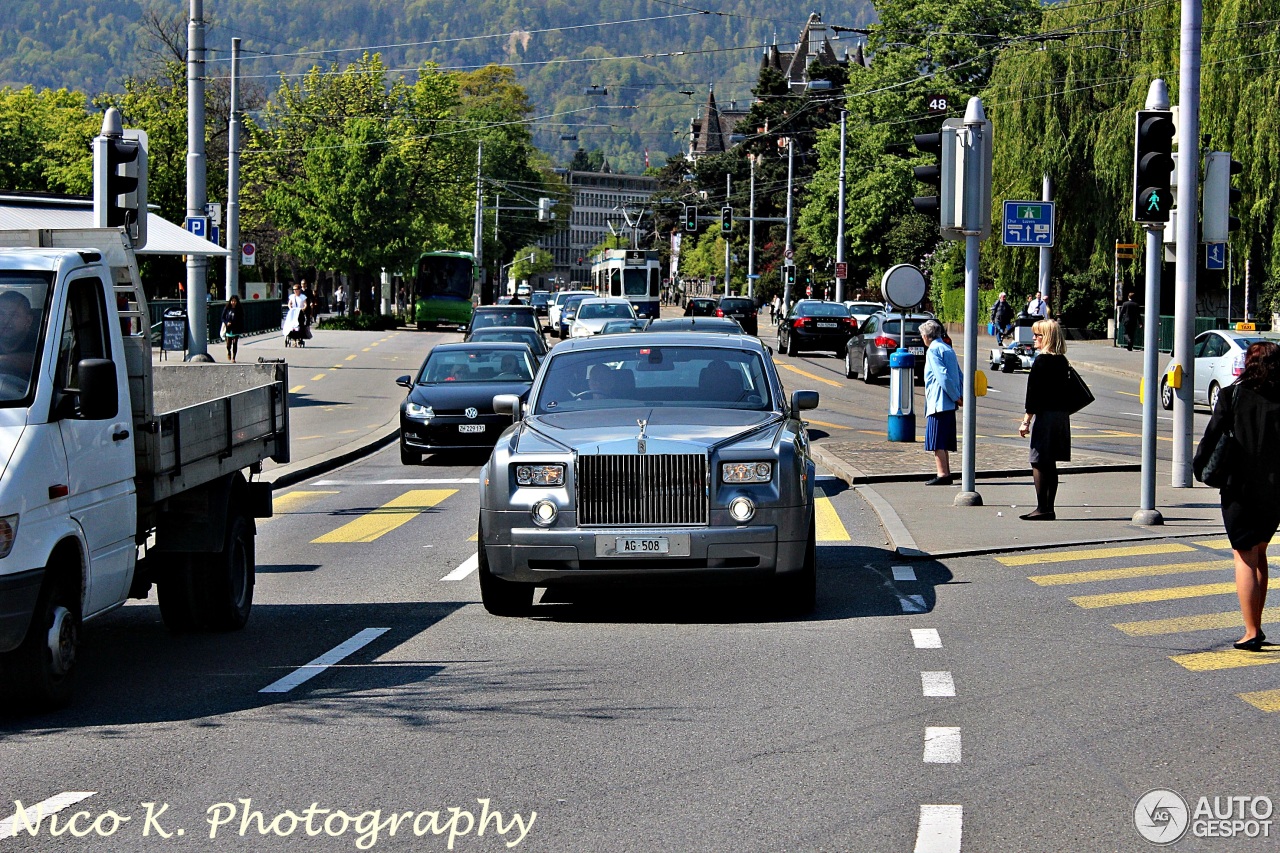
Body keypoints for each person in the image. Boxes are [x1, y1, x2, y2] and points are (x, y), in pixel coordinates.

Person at [1193, 341, 1280, 651]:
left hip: (1239, 488)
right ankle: (1256, 624)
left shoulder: (1232, 396)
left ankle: (1251, 630)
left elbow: (1211, 437)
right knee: (1260, 551)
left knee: (1244, 555)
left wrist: (1200, 467)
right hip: (1274, 490)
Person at [1018, 319, 1072, 520]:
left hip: (1046, 416)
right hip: (1061, 416)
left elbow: (1033, 395)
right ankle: (1050, 507)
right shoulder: (1062, 361)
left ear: (1047, 337)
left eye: (1037, 335)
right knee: (1050, 463)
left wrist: (1026, 421)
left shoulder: (1041, 361)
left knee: (1039, 461)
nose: (1033, 338)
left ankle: (1042, 508)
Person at [920, 319, 961, 486]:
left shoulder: (933, 351)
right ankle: (946, 472)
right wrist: (959, 395)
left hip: (938, 402)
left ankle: (943, 474)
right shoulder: (947, 348)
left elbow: (942, 376)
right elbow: (958, 374)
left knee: (936, 440)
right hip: (948, 403)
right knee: (943, 440)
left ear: (926, 336)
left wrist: (955, 396)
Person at [0, 290, 38, 378]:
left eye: (14, 314)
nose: (6, 320)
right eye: (1, 313)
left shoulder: (42, 342)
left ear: (28, 320)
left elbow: (37, 362)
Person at [220, 295, 245, 363]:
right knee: (228, 344)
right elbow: (222, 317)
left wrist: (241, 327)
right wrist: (226, 322)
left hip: (236, 328)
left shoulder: (239, 309)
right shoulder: (227, 308)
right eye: (232, 301)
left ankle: (233, 357)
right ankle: (228, 351)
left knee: (235, 343)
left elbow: (242, 318)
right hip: (229, 328)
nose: (233, 302)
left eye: (235, 301)